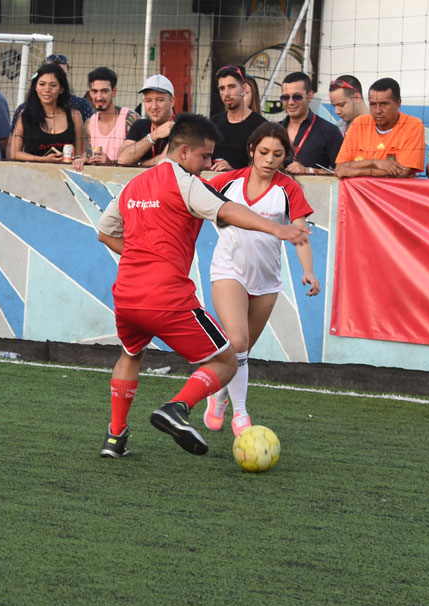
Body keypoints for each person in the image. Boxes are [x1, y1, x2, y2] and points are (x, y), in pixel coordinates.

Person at [94, 113, 310, 458]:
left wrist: (140, 255)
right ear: (183, 152)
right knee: (227, 359)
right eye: (204, 156)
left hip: (127, 296)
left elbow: (105, 231)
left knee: (130, 354)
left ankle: (114, 437)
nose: (208, 164)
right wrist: (278, 229)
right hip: (167, 297)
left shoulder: (133, 185)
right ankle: (178, 407)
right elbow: (228, 210)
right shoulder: (186, 183)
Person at [203, 122, 320, 436]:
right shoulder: (227, 181)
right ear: (252, 150)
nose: (270, 159)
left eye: (278, 154)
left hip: (267, 281)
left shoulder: (289, 189)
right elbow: (192, 203)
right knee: (237, 340)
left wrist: (308, 271)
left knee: (240, 353)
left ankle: (220, 394)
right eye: (264, 152)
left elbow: (300, 234)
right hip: (228, 271)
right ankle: (240, 414)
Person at [334, 77, 425, 177]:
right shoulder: (359, 123)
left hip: (393, 191)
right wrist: (374, 162)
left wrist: (354, 171)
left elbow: (402, 172)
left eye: (383, 104)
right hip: (360, 191)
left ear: (398, 103)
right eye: (373, 104)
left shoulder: (412, 125)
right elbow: (340, 168)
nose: (377, 110)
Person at [8, 63, 85, 170]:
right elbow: (14, 153)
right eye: (42, 84)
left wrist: (78, 159)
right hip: (34, 174)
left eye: (53, 85)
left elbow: (80, 153)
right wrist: (42, 159)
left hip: (67, 175)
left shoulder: (74, 116)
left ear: (61, 89)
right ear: (35, 86)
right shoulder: (25, 114)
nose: (47, 89)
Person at [277, 71, 343, 174]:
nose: (290, 102)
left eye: (297, 97)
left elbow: (341, 172)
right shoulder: (274, 130)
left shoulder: (329, 131)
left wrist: (309, 170)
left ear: (310, 96)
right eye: (285, 97)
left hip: (314, 189)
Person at [210, 65, 266, 171]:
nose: (226, 93)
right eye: (222, 88)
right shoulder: (213, 123)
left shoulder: (261, 127)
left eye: (231, 86)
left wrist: (232, 171)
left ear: (244, 88)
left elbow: (263, 169)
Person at [118, 75, 176, 167]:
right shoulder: (140, 125)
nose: (154, 107)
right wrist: (154, 135)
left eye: (160, 100)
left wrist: (140, 164)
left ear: (172, 101)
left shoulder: (182, 125)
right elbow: (122, 159)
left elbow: (166, 162)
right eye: (148, 101)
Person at [84, 66, 138, 164]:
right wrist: (82, 160)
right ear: (90, 92)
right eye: (95, 91)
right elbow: (89, 157)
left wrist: (111, 163)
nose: (99, 97)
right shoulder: (90, 123)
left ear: (114, 92)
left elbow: (137, 161)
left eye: (104, 91)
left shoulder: (130, 119)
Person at [42, 55, 94, 121]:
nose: (60, 79)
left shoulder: (81, 104)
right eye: (55, 75)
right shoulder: (29, 107)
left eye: (64, 75)